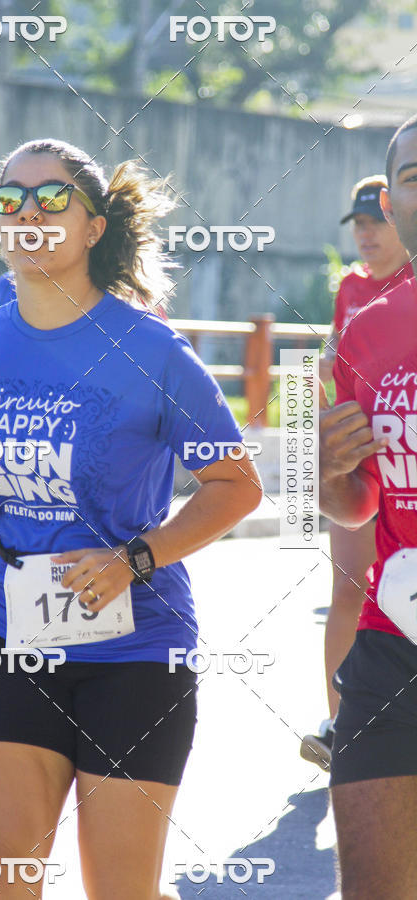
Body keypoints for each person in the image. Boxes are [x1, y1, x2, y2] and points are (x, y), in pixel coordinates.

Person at [0, 138, 262, 899]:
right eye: (9, 197)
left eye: (52, 199)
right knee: (7, 884)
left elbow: (235, 484)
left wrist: (134, 558)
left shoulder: (153, 351)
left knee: (119, 891)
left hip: (139, 647)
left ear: (93, 227)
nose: (27, 212)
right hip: (12, 637)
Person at [319, 114, 417, 898]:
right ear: (392, 201)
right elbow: (355, 502)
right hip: (396, 639)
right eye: (414, 178)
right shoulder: (368, 324)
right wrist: (325, 473)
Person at [301, 175, 412, 769]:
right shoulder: (351, 289)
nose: (366, 234)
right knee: (350, 587)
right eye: (358, 225)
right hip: (366, 458)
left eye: (376, 222)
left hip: (404, 467)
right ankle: (340, 725)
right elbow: (332, 377)